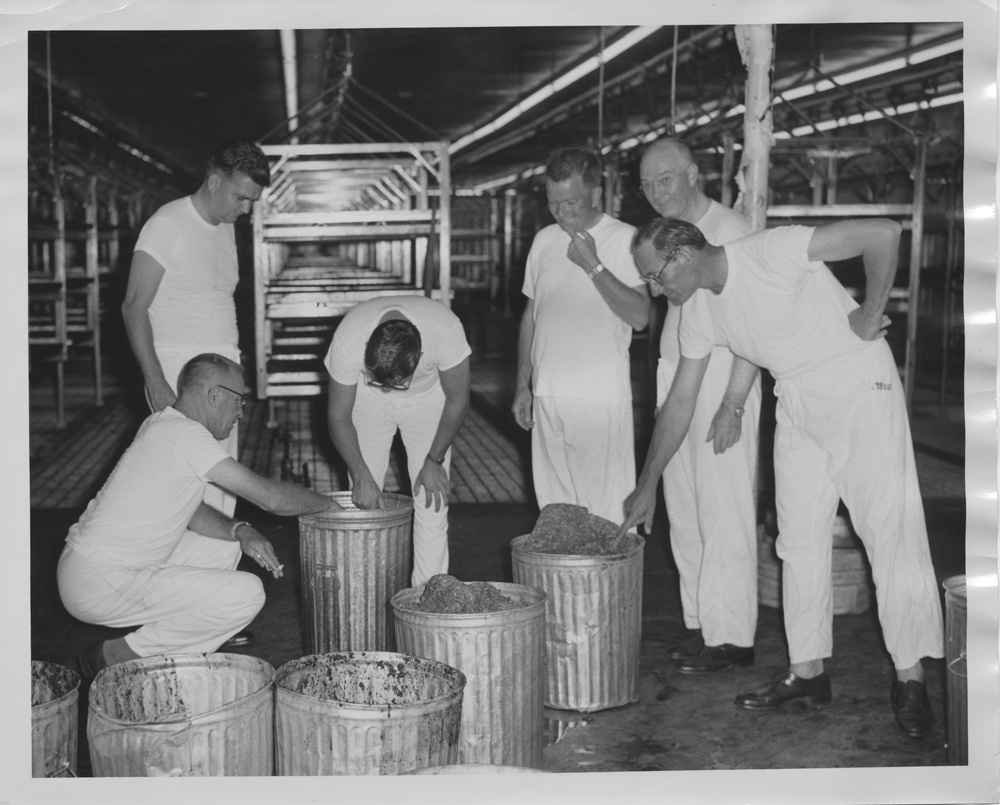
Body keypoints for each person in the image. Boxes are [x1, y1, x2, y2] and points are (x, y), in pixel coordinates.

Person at [619, 216, 944, 737]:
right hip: (794, 397)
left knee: (888, 531)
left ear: (682, 255)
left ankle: (911, 677)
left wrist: (871, 312)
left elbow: (883, 233)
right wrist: (648, 481)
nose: (655, 290)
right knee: (796, 542)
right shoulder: (699, 309)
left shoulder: (770, 250)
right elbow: (680, 400)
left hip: (857, 383)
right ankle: (808, 670)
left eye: (655, 276)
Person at [57, 354, 339, 682]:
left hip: (96, 570)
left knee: (227, 545)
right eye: (239, 400)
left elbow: (190, 512)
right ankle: (120, 655)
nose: (241, 412)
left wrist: (240, 529)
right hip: (97, 580)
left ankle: (170, 649)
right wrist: (329, 505)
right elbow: (270, 498)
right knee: (248, 594)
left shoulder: (163, 423)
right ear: (214, 395)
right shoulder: (188, 437)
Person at [637, 138, 761, 675]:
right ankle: (700, 625)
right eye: (645, 184)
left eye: (664, 179)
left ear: (692, 173)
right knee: (684, 511)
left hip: (722, 381)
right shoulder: (663, 239)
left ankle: (732, 637)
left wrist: (734, 402)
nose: (655, 192)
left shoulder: (730, 230)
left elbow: (753, 328)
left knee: (723, 510)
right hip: (680, 376)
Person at [122, 140, 271, 519]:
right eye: (241, 197)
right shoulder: (167, 224)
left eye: (252, 201)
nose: (246, 208)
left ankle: (216, 569)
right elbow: (133, 306)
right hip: (180, 372)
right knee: (183, 482)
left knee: (223, 481)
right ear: (215, 181)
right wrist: (155, 380)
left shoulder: (223, 227)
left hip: (222, 372)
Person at [512, 147, 649, 523]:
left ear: (595, 194)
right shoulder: (543, 241)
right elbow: (532, 316)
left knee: (605, 517)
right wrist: (523, 384)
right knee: (556, 517)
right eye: (553, 203)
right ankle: (560, 584)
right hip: (548, 396)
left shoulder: (625, 239)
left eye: (570, 201)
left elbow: (640, 316)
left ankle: (605, 584)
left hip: (599, 399)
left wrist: (594, 265)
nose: (562, 213)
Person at [325, 295, 471, 586]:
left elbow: (458, 400)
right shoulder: (349, 338)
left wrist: (434, 460)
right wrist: (360, 473)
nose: (395, 392)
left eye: (398, 384)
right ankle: (363, 593)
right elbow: (338, 416)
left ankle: (428, 597)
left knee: (432, 499)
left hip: (428, 399)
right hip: (368, 399)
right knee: (364, 500)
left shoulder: (444, 329)